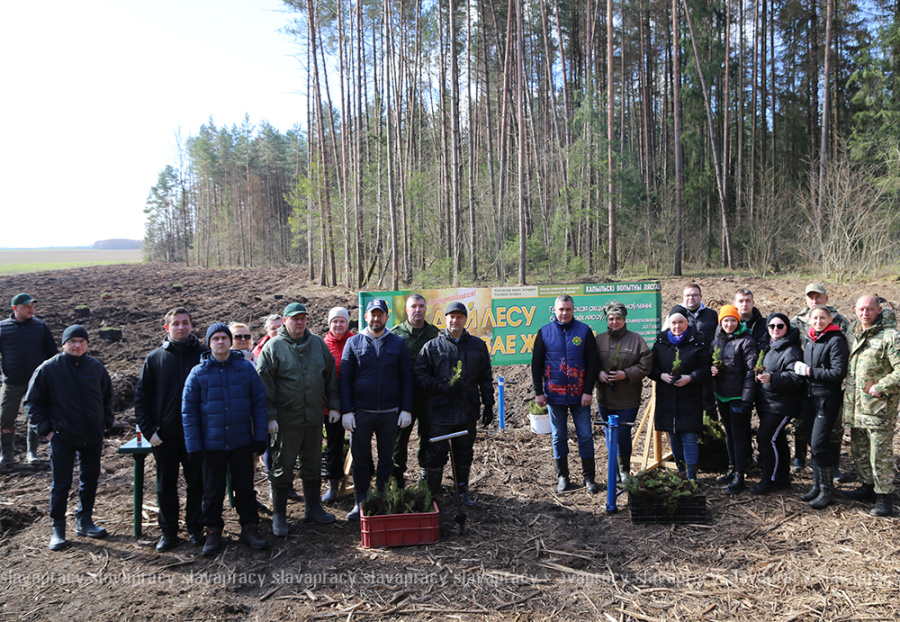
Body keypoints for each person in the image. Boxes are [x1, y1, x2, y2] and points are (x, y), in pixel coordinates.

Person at [182, 323, 269, 556]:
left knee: (245, 488)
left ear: (230, 341)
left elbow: (259, 404)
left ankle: (249, 527)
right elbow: (188, 413)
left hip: (241, 441)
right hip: (212, 445)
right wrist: (194, 446)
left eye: (224, 338)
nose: (220, 342)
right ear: (209, 344)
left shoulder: (244, 369)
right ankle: (212, 531)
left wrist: (260, 436)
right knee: (212, 490)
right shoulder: (198, 373)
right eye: (216, 339)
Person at [25, 325, 113, 551]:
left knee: (90, 479)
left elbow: (107, 397)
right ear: (63, 344)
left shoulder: (95, 367)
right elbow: (32, 403)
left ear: (87, 344)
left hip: (92, 435)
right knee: (61, 483)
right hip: (62, 436)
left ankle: (84, 521)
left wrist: (105, 424)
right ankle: (58, 529)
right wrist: (47, 431)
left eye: (81, 341)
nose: (77, 345)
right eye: (72, 341)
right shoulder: (49, 369)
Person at [256, 303, 341, 536]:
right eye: (295, 319)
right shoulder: (274, 347)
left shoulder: (316, 344)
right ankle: (279, 515)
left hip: (313, 418)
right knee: (282, 468)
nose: (300, 322)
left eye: (303, 318)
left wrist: (334, 406)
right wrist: (270, 417)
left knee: (312, 465)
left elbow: (330, 376)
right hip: (285, 421)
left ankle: (313, 508)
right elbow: (264, 385)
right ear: (285, 321)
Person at [134, 307, 206, 552]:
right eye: (176, 324)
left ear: (192, 325)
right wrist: (148, 430)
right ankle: (169, 532)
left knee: (197, 483)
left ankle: (195, 528)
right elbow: (142, 397)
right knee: (165, 485)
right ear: (167, 328)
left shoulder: (204, 355)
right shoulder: (155, 358)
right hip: (164, 437)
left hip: (196, 435)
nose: (181, 327)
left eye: (185, 322)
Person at [340, 298, 414, 520]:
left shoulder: (397, 343)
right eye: (372, 314)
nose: (376, 318)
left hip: (390, 414)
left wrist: (406, 409)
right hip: (361, 413)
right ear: (366, 317)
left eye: (380, 314)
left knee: (386, 459)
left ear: (386, 317)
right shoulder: (353, 343)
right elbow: (344, 379)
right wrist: (346, 411)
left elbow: (407, 378)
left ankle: (380, 499)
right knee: (361, 459)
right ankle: (361, 502)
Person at [414, 302, 494, 506]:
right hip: (440, 412)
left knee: (464, 452)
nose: (455, 320)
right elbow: (420, 375)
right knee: (436, 454)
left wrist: (489, 404)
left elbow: (485, 377)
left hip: (467, 410)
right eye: (451, 316)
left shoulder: (477, 346)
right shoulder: (432, 347)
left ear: (465, 319)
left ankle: (462, 491)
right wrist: (440, 387)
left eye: (459, 317)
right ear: (445, 318)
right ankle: (433, 494)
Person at [531, 295, 601, 493]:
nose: (564, 313)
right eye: (561, 309)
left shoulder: (585, 331)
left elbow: (592, 363)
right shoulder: (544, 333)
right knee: (558, 436)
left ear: (573, 310)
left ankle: (589, 478)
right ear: (554, 310)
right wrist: (539, 392)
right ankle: (563, 476)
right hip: (555, 395)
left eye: (568, 309)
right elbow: (536, 364)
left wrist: (588, 391)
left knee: (586, 436)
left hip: (580, 396)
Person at [843, 295, 900, 517]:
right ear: (855, 310)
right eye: (861, 309)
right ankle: (867, 486)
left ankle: (884, 496)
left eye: (870, 309)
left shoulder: (890, 337)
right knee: (860, 449)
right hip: (855, 406)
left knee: (880, 453)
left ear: (878, 310)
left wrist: (881, 386)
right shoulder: (853, 334)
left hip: (879, 407)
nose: (865, 313)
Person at [790, 283, 850, 474]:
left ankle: (832, 465)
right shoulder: (796, 321)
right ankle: (800, 458)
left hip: (827, 383)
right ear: (806, 300)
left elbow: (844, 353)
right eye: (811, 297)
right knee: (801, 422)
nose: (815, 300)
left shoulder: (840, 322)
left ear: (826, 298)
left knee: (833, 427)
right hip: (803, 382)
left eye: (819, 297)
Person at [648, 307, 712, 481]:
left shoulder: (698, 341)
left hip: (689, 396)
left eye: (680, 322)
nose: (677, 326)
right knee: (673, 433)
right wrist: (661, 375)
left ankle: (692, 474)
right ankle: (681, 469)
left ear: (687, 323)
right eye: (673, 323)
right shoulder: (661, 342)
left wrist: (690, 378)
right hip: (667, 395)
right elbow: (650, 367)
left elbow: (706, 368)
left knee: (689, 435)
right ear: (669, 324)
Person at [794, 305, 848, 509]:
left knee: (819, 443)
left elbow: (837, 373)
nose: (818, 321)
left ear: (830, 319)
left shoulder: (835, 340)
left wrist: (809, 371)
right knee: (812, 442)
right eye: (815, 317)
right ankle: (817, 486)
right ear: (809, 319)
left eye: (822, 317)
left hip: (826, 398)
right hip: (809, 399)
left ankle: (827, 491)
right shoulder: (810, 339)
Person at [594, 301, 652, 484]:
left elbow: (646, 365)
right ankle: (614, 471)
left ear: (624, 319)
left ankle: (624, 469)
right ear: (607, 319)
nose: (615, 322)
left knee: (624, 434)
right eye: (611, 318)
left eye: (618, 318)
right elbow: (590, 362)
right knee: (610, 435)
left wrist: (625, 374)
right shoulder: (599, 340)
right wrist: (599, 373)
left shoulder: (636, 340)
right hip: (605, 398)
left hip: (628, 398)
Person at [1, 292, 58, 466]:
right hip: (12, 381)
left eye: (32, 306)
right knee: (5, 417)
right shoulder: (2, 328)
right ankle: (6, 454)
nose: (30, 309)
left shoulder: (40, 327)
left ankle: (31, 452)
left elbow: (52, 355)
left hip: (36, 382)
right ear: (15, 308)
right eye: (26, 307)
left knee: (34, 416)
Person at [391, 294, 440, 487]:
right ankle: (397, 475)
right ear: (407, 310)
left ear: (425, 309)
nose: (417, 310)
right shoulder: (395, 334)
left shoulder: (435, 334)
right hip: (403, 397)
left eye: (421, 306)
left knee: (427, 436)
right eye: (413, 306)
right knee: (399, 438)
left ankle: (425, 473)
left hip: (428, 396)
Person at [752, 313, 803, 494]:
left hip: (782, 405)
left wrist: (773, 378)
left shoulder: (792, 350)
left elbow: (796, 378)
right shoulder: (766, 347)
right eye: (772, 326)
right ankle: (783, 478)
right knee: (778, 439)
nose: (775, 329)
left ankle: (769, 479)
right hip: (767, 403)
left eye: (780, 326)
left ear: (787, 328)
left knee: (765, 438)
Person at [710, 304, 758, 494]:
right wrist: (712, 370)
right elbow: (712, 364)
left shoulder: (747, 342)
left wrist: (747, 399)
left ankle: (740, 474)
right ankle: (731, 468)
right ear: (720, 323)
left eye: (732, 320)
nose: (729, 324)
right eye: (725, 321)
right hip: (722, 394)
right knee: (729, 433)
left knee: (739, 435)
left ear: (738, 321)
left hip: (738, 396)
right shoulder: (717, 342)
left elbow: (750, 373)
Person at [322, 307, 355, 503]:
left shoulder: (357, 340)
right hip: (331, 406)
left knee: (359, 444)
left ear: (347, 323)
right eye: (334, 321)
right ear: (329, 324)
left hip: (354, 404)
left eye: (342, 321)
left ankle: (363, 482)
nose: (338, 325)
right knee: (334, 446)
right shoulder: (323, 344)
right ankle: (333, 485)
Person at [681, 283, 719, 423]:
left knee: (709, 402)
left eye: (695, 295)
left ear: (701, 297)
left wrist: (716, 363)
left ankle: (712, 435)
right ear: (683, 297)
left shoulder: (711, 315)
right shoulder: (678, 314)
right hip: (686, 367)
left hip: (707, 368)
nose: (691, 298)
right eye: (688, 295)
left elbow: (718, 340)